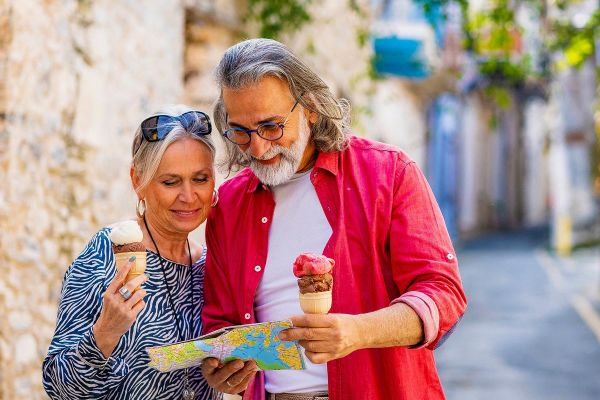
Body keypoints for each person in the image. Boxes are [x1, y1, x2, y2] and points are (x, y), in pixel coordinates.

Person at [200, 38, 467, 400]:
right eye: (240, 132)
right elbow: (222, 323)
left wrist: (359, 332)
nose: (258, 148)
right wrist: (223, 370)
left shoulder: (388, 172)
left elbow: (442, 293)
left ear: (309, 107)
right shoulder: (228, 205)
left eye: (271, 126)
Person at [43, 105, 220, 400]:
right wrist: (106, 333)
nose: (189, 196)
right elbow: (58, 387)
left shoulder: (211, 264)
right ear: (138, 181)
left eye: (200, 179)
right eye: (170, 181)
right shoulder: (106, 253)